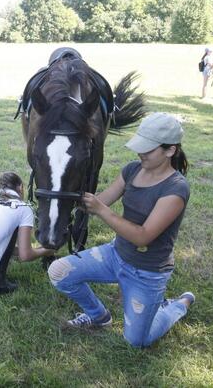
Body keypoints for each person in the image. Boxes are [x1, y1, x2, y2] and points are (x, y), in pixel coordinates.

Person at [47, 112, 195, 348]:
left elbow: (143, 236)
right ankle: (99, 317)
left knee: (136, 341)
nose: (140, 153)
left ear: (170, 150)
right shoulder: (133, 170)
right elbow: (101, 199)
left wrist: (101, 209)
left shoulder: (176, 189)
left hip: (147, 271)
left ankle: (177, 305)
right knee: (58, 272)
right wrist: (65, 194)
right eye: (140, 147)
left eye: (148, 149)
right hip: (116, 254)